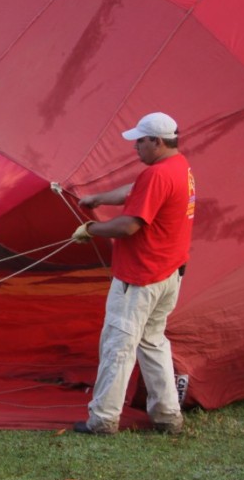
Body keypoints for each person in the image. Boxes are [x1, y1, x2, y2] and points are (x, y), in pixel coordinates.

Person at [70, 112, 195, 436]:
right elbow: (136, 189)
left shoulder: (157, 176)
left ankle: (103, 419)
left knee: (118, 345)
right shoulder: (178, 167)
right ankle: (168, 416)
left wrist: (91, 228)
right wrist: (99, 198)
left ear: (156, 141)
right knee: (153, 342)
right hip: (169, 274)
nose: (136, 147)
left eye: (140, 141)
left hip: (139, 278)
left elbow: (129, 225)